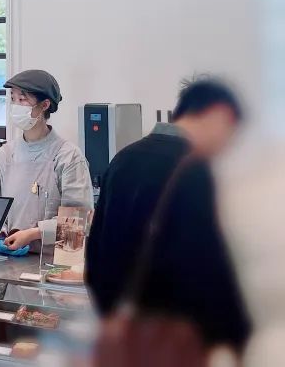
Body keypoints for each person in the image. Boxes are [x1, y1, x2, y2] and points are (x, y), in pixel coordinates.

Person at [86, 77, 250, 351]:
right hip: (180, 338)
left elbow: (96, 252)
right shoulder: (199, 170)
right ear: (215, 116)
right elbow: (211, 266)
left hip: (126, 334)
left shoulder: (123, 159)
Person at [0, 70, 93, 253]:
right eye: (13, 98)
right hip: (9, 261)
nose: (16, 105)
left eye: (23, 99)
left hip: (53, 263)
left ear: (44, 105)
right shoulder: (4, 155)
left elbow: (79, 222)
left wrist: (33, 234)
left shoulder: (68, 157)